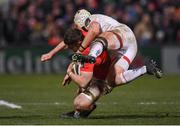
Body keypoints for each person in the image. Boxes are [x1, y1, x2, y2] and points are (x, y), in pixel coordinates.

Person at [60, 28, 162, 118]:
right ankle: (79, 113)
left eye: (70, 47)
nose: (69, 49)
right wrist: (51, 55)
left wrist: (69, 72)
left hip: (101, 82)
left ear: (78, 43)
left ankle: (83, 109)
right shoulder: (86, 35)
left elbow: (83, 82)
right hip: (110, 62)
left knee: (79, 103)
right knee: (82, 86)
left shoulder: (87, 54)